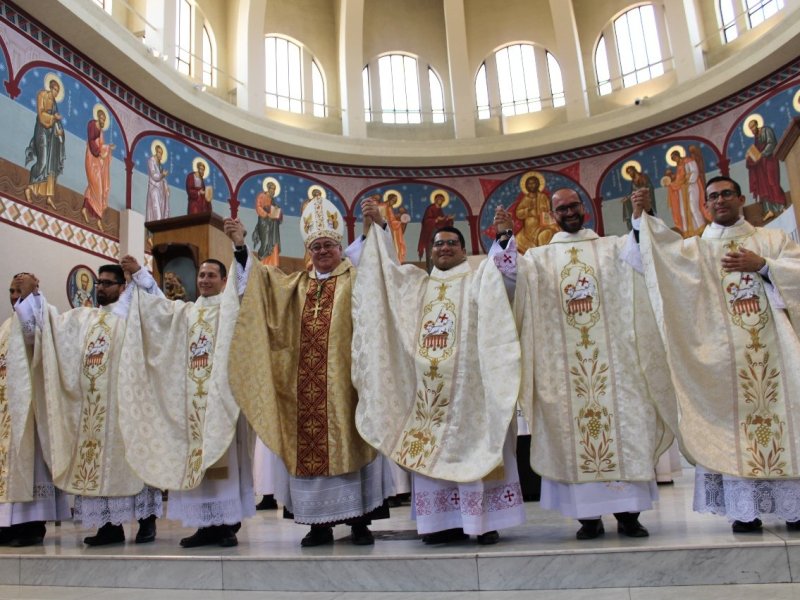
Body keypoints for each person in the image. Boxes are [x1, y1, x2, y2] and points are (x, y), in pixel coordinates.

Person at [492, 188, 676, 540]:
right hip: (566, 374)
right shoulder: (540, 258)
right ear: (553, 214)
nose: (569, 212)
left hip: (617, 368)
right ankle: (587, 518)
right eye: (561, 208)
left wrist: (641, 219)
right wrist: (504, 239)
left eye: (574, 206)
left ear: (585, 208)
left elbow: (645, 258)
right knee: (570, 438)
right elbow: (511, 280)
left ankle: (628, 515)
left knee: (625, 432)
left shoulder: (613, 247)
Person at [353, 200, 525, 545]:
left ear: (464, 250)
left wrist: (505, 236)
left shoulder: (480, 279)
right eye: (438, 244)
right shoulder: (417, 285)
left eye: (451, 243)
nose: (444, 248)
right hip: (426, 399)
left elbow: (509, 281)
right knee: (431, 453)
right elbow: (385, 277)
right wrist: (381, 228)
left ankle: (483, 522)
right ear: (429, 252)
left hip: (472, 394)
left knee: (477, 450)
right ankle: (439, 524)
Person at [636, 175, 800, 533]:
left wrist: (765, 266)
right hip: (724, 363)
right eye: (712, 197)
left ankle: (794, 508)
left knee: (787, 422)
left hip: (777, 354)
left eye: (727, 193)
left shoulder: (772, 239)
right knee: (732, 428)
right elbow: (663, 262)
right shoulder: (696, 249)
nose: (720, 200)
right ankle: (744, 510)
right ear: (704, 205)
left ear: (741, 198)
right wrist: (647, 216)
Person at [225, 213, 391, 547]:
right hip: (303, 389)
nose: (323, 251)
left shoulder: (358, 278)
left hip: (348, 386)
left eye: (328, 245)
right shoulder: (296, 285)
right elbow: (261, 283)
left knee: (353, 444)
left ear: (340, 247)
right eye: (316, 246)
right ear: (308, 251)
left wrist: (381, 229)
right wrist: (242, 247)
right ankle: (319, 526)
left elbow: (388, 278)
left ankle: (360, 522)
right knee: (309, 451)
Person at [16, 259, 165, 546]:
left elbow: (160, 311)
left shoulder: (133, 315)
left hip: (128, 407)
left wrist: (139, 273)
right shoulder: (83, 319)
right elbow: (47, 330)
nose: (100, 288)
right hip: (95, 412)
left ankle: (147, 522)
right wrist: (34, 295)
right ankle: (109, 527)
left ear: (123, 288)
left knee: (135, 465)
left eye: (107, 283)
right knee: (99, 469)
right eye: (98, 283)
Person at [119, 258, 253, 548]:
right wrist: (140, 274)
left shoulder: (230, 309)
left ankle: (228, 526)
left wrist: (240, 250)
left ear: (222, 279)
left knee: (224, 463)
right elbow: (158, 309)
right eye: (201, 275)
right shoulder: (188, 313)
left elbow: (245, 287)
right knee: (196, 464)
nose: (204, 280)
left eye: (211, 275)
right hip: (191, 405)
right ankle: (205, 526)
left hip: (222, 401)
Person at [0, 273, 71, 547]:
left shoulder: (42, 314)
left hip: (29, 408)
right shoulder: (6, 326)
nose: (14, 295)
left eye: (19, 290)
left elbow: (33, 334)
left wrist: (31, 296)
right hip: (7, 408)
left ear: (33, 290)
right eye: (11, 290)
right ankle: (7, 526)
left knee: (29, 469)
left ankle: (32, 526)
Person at [24, 77, 65, 209]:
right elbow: (41, 115)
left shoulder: (55, 104)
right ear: (51, 88)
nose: (56, 93)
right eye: (55, 90)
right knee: (42, 163)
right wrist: (53, 117)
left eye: (57, 92)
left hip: (52, 136)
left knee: (51, 167)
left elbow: (57, 124)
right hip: (42, 131)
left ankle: (48, 197)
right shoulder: (42, 95)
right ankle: (29, 188)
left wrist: (60, 133)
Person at [745, 120, 787, 218]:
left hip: (770, 161)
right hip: (761, 165)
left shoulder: (766, 130)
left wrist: (762, 154)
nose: (752, 130)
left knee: (773, 182)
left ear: (756, 125)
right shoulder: (756, 137)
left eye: (753, 127)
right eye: (750, 129)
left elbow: (771, 144)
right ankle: (769, 210)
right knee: (763, 186)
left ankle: (781, 206)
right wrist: (750, 155)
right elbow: (756, 150)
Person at [82, 108, 115, 231]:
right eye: (102, 118)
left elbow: (101, 146)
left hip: (97, 162)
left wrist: (107, 148)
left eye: (104, 120)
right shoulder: (91, 125)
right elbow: (92, 143)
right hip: (91, 159)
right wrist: (101, 150)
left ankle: (85, 210)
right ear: (98, 117)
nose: (103, 121)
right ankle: (99, 219)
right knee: (98, 189)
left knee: (94, 187)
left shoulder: (101, 131)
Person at [512, 172, 559, 254]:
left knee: (543, 237)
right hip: (527, 232)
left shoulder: (542, 197)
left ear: (538, 184)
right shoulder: (525, 199)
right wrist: (528, 211)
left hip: (542, 227)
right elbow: (518, 213)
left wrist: (539, 213)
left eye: (533, 183)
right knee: (516, 241)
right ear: (526, 186)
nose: (531, 185)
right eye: (529, 184)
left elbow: (548, 212)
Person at [666, 150, 705, 237]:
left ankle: (702, 229)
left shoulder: (688, 161)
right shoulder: (678, 167)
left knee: (693, 208)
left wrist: (688, 180)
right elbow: (678, 181)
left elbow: (695, 171)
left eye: (674, 157)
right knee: (683, 212)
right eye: (673, 159)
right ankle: (689, 232)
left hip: (692, 186)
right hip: (683, 190)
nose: (674, 159)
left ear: (678, 155)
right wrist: (671, 184)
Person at [418, 192, 453, 270]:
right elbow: (426, 221)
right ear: (435, 199)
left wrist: (448, 219)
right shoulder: (431, 208)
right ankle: (431, 270)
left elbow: (442, 223)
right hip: (431, 233)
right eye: (439, 199)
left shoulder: (440, 210)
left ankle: (439, 269)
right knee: (431, 251)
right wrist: (436, 219)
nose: (440, 201)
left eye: (442, 200)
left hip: (439, 233)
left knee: (439, 251)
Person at [252, 180, 282, 266]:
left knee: (273, 243)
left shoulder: (273, 200)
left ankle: (273, 264)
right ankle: (262, 263)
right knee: (265, 243)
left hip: (273, 225)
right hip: (264, 223)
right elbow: (258, 207)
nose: (273, 191)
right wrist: (266, 214)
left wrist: (277, 211)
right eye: (272, 189)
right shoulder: (262, 196)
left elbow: (277, 213)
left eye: (275, 189)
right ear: (268, 189)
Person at [146, 144, 170, 221]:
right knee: (156, 212)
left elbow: (161, 179)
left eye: (161, 153)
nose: (160, 155)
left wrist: (166, 188)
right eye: (159, 152)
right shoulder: (151, 161)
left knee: (161, 211)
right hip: (154, 189)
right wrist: (162, 175)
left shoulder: (160, 165)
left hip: (160, 191)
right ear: (156, 152)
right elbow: (154, 176)